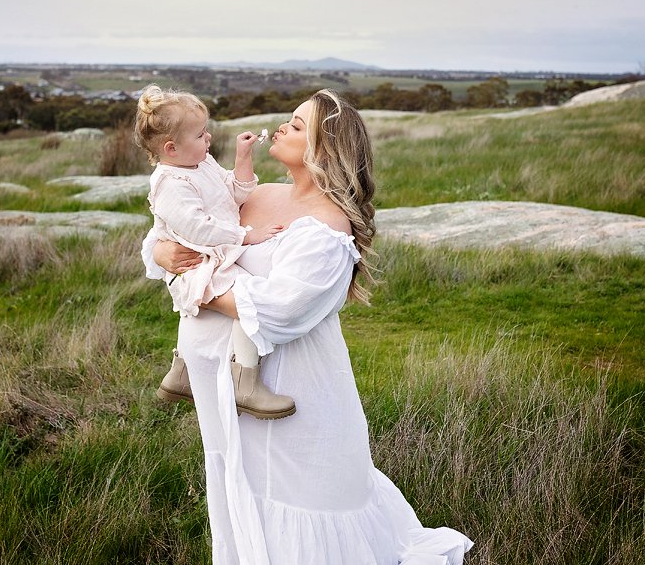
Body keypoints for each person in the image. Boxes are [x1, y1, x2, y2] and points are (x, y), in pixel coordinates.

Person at [143, 89, 472, 564]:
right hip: (223, 395)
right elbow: (172, 228)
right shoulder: (256, 194)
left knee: (299, 504)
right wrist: (162, 254)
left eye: (297, 126)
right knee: (242, 491)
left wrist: (192, 285)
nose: (282, 128)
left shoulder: (326, 227)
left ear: (324, 149)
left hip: (291, 396)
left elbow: (279, 310)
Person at [135, 85, 296, 420]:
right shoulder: (169, 182)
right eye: (200, 134)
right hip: (196, 260)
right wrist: (245, 236)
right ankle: (246, 381)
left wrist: (242, 158)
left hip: (211, 255)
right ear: (172, 148)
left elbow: (234, 193)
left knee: (232, 301)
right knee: (248, 300)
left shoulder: (201, 164)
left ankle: (181, 374)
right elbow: (199, 228)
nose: (208, 139)